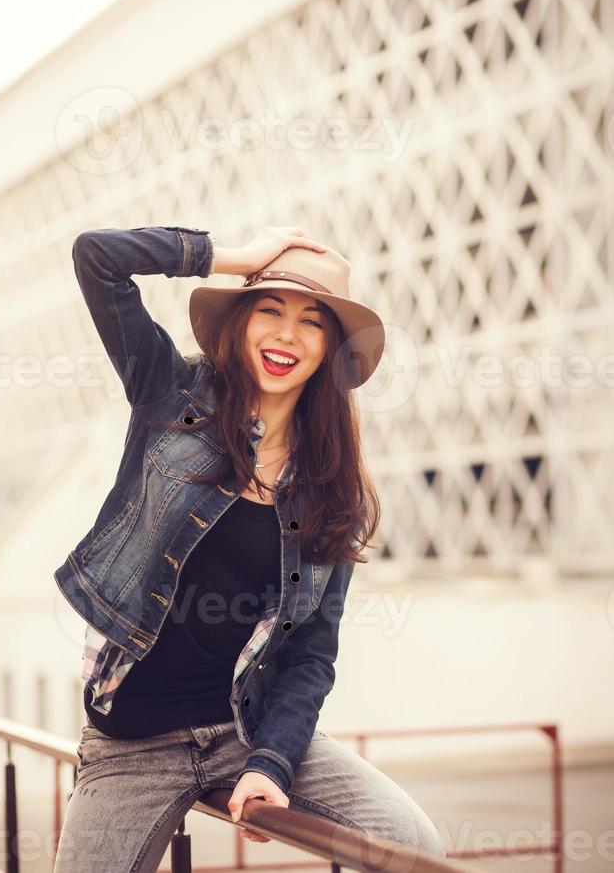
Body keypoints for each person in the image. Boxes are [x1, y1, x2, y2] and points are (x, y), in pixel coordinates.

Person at [52, 224, 446, 871]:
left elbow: (311, 657)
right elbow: (97, 256)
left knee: (413, 843)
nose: (287, 335)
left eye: (312, 321)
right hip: (134, 740)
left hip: (247, 729)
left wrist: (271, 764)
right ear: (238, 322)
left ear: (329, 350)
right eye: (270, 309)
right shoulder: (169, 397)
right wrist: (233, 259)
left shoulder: (330, 486)